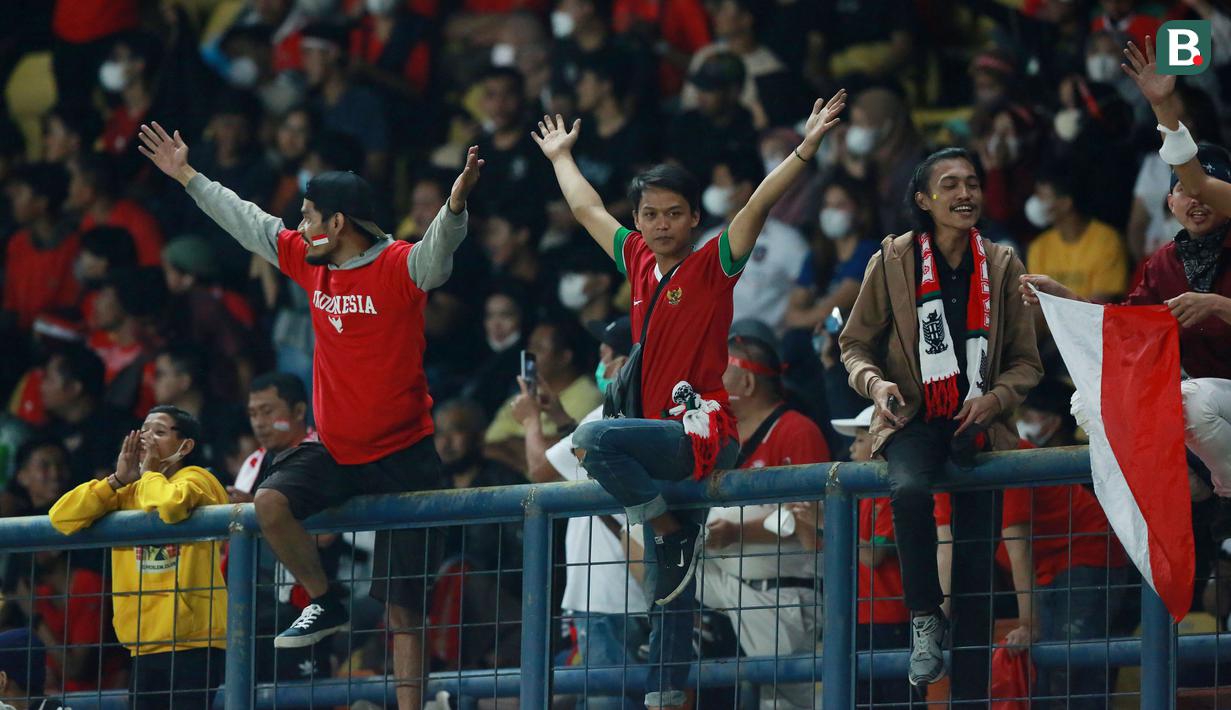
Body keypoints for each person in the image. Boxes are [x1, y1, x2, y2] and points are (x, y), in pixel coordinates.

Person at [137, 118, 481, 710]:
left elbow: (437, 258)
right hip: (337, 451)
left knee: (403, 608)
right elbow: (248, 221)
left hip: (406, 457)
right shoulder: (309, 261)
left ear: (337, 223)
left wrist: (452, 207)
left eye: (306, 215)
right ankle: (326, 596)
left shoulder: (399, 266)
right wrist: (189, 176)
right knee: (269, 503)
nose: (298, 225)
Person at [534, 88, 845, 709]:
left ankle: (663, 524)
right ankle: (667, 694)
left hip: (701, 436)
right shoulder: (637, 261)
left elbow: (759, 201)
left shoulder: (714, 265)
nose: (660, 224)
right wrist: (562, 158)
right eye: (650, 214)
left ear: (693, 218)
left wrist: (806, 147)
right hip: (657, 447)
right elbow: (589, 209)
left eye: (673, 213)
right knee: (670, 585)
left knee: (592, 439)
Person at [839, 147, 1043, 693]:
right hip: (912, 418)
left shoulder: (1001, 264)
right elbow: (854, 344)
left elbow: (1027, 361)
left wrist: (996, 399)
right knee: (907, 490)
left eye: (972, 183)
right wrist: (876, 384)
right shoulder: (893, 260)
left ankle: (970, 698)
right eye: (949, 185)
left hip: (981, 425)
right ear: (924, 200)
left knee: (976, 573)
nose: (964, 194)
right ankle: (925, 616)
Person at [1025, 39, 1231, 534]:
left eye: (1204, 187)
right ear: (1168, 203)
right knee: (1087, 402)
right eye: (1180, 190)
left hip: (1210, 405)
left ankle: (1222, 491)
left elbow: (1198, 180)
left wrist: (1219, 306)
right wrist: (1064, 297)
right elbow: (1127, 325)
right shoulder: (1165, 262)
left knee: (1195, 400)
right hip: (1211, 411)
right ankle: (1186, 484)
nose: (1194, 197)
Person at [49, 406, 229, 710]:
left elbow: (171, 506)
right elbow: (61, 518)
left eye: (159, 432)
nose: (146, 439)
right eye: (143, 430)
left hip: (195, 643)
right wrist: (118, 480)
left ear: (185, 446)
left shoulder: (199, 479)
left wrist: (148, 475)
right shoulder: (128, 489)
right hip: (142, 644)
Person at [514, 316, 650, 710]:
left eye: (607, 358)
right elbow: (586, 463)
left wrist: (529, 422)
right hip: (639, 590)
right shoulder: (653, 409)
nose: (601, 368)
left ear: (626, 363)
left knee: (606, 702)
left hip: (604, 596)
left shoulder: (607, 413)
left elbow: (541, 473)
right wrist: (558, 417)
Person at [698, 319, 829, 709]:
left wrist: (740, 533)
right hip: (732, 586)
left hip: (784, 595)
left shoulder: (796, 430)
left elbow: (811, 518)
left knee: (795, 702)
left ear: (748, 384)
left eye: (722, 372)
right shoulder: (720, 437)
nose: (711, 380)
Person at [826, 405, 914, 708]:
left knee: (896, 699)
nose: (851, 449)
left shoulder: (890, 495)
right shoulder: (861, 497)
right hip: (858, 618)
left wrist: (826, 525)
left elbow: (873, 556)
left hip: (889, 619)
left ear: (879, 444)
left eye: (860, 439)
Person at [698, 152, 809, 333]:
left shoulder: (788, 241)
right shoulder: (708, 240)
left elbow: (807, 289)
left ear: (744, 189)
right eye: (714, 182)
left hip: (772, 342)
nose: (714, 189)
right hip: (720, 341)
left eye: (721, 182)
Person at [483, 317, 602, 471]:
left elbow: (560, 457)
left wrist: (524, 429)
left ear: (564, 357)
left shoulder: (589, 396)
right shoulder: (525, 394)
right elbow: (488, 446)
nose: (529, 356)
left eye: (538, 348)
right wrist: (527, 464)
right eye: (530, 347)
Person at [1024, 166, 1128, 302]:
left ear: (1066, 203)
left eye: (1042, 196)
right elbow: (1036, 304)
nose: (1035, 203)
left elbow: (1100, 306)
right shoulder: (1038, 247)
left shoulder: (1107, 241)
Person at [3, 163, 78, 331]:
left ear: (42, 202)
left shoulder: (72, 247)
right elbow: (11, 305)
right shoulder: (17, 243)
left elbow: (69, 307)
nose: (13, 200)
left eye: (20, 193)